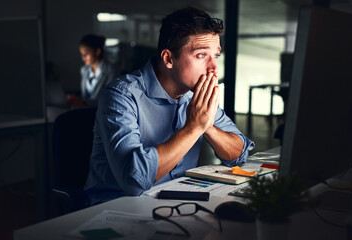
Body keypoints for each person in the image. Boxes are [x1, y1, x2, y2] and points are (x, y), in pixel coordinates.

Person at [84, 7, 255, 204]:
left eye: (215, 55)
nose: (214, 67)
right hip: (115, 208)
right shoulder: (121, 95)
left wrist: (207, 126)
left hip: (172, 202)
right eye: (201, 55)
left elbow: (239, 155)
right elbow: (133, 181)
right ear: (168, 59)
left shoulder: (196, 93)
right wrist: (194, 128)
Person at [67, 34, 117, 107]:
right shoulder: (84, 70)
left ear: (97, 51)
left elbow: (108, 98)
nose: (83, 57)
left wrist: (83, 102)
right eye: (82, 54)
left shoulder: (111, 70)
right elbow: (85, 96)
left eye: (86, 54)